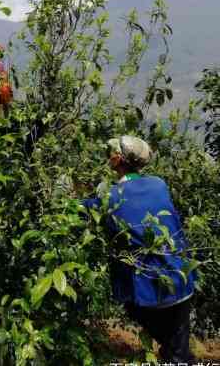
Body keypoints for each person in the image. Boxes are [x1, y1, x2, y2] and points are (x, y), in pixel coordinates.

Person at [83, 135, 197, 364]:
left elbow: (82, 209)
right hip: (182, 281)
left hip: (149, 293)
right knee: (177, 347)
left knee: (174, 349)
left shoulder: (110, 196)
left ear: (117, 159)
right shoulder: (158, 183)